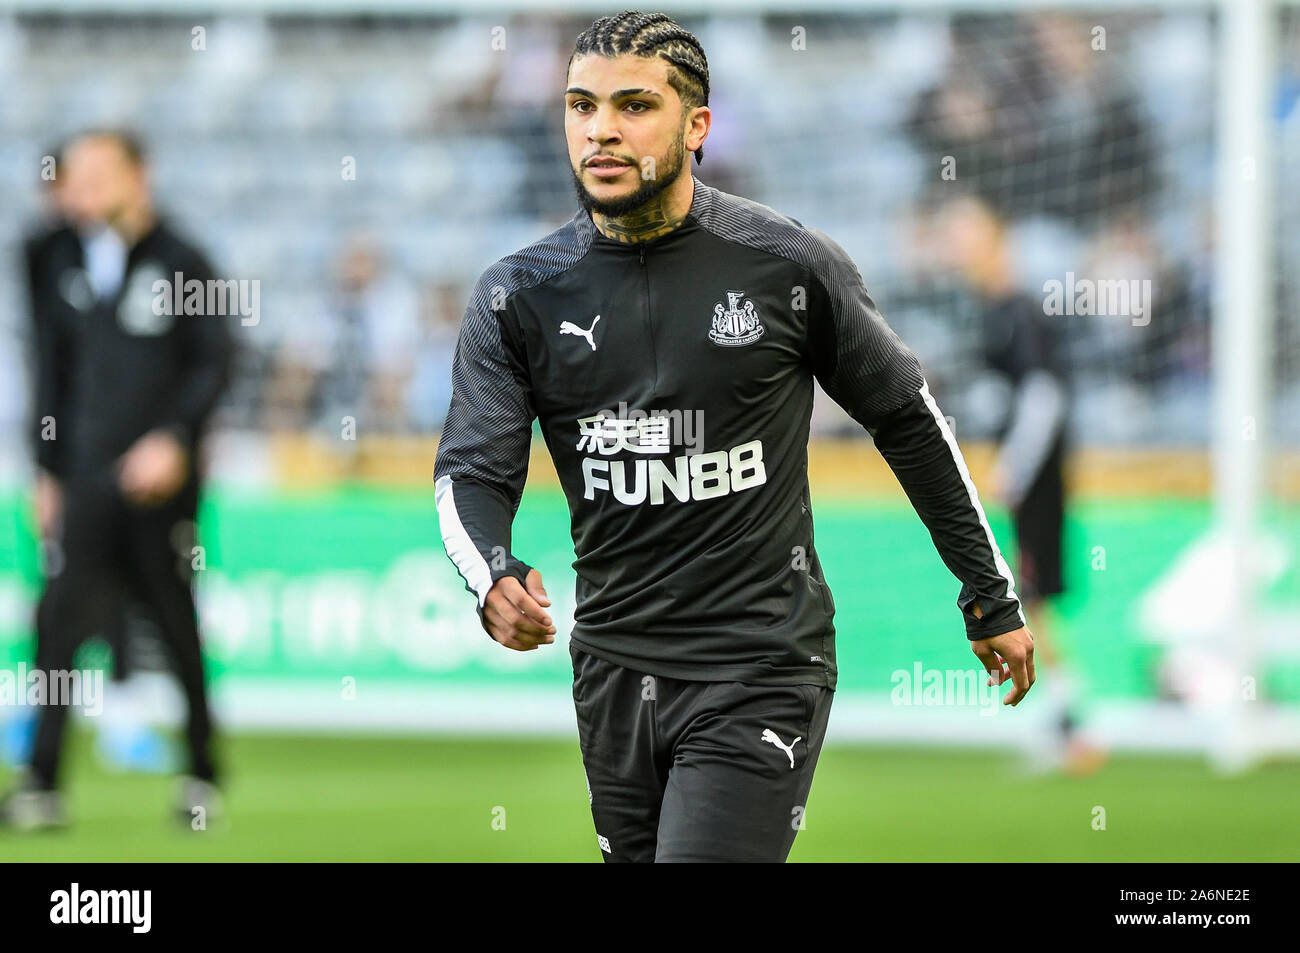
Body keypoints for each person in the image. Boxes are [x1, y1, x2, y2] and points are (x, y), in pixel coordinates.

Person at [433, 11, 1035, 863]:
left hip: (761, 665)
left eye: (634, 105)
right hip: (612, 669)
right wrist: (489, 573)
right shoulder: (516, 295)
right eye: (580, 105)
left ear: (697, 125)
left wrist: (987, 590)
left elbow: (906, 417)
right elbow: (470, 472)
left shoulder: (785, 264)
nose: (601, 129)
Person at [0, 129, 235, 830]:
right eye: (76, 174)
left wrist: (174, 439)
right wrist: (45, 471)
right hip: (83, 479)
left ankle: (201, 774)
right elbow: (50, 371)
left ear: (141, 174)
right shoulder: (57, 256)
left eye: (101, 171)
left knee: (171, 622)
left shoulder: (183, 260)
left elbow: (215, 363)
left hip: (159, 490)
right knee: (58, 627)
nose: (85, 185)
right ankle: (40, 782)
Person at [933, 192, 1105, 775]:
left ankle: (1073, 726)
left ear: (996, 237)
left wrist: (1015, 466)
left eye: (966, 231)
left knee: (1030, 594)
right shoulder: (991, 311)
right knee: (1031, 597)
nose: (956, 244)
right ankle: (1067, 724)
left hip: (1036, 477)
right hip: (1027, 475)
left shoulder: (1019, 311)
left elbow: (1043, 395)